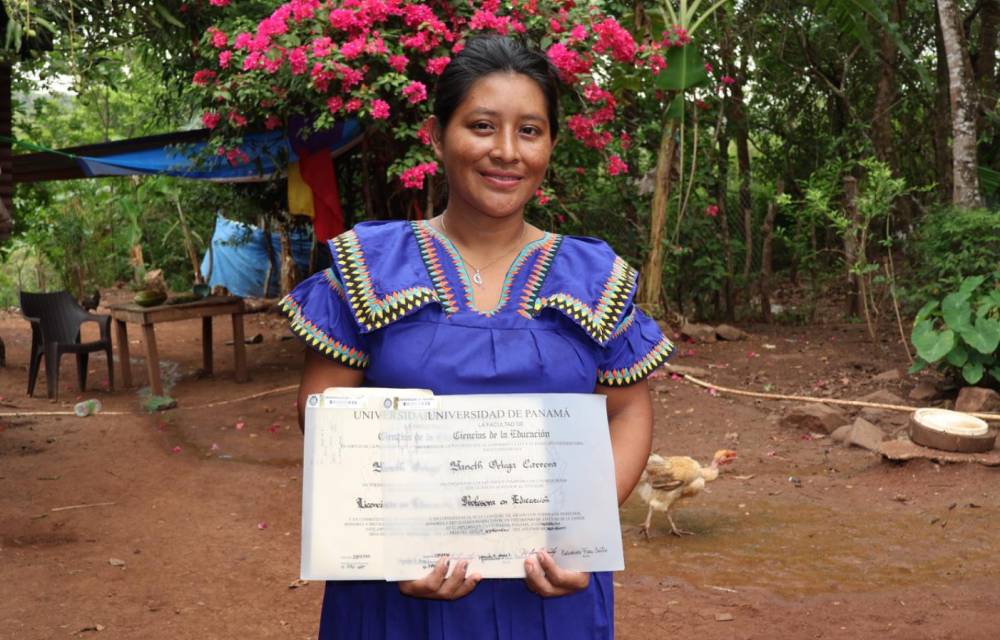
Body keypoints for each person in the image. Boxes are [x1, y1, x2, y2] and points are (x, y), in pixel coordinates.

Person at [283, 35, 674, 640]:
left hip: (550, 590)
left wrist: (582, 528)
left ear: (550, 145)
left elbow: (626, 409)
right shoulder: (369, 266)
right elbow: (325, 415)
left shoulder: (596, 278)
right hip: (398, 591)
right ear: (438, 137)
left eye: (530, 130)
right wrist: (394, 539)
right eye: (483, 125)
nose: (506, 152)